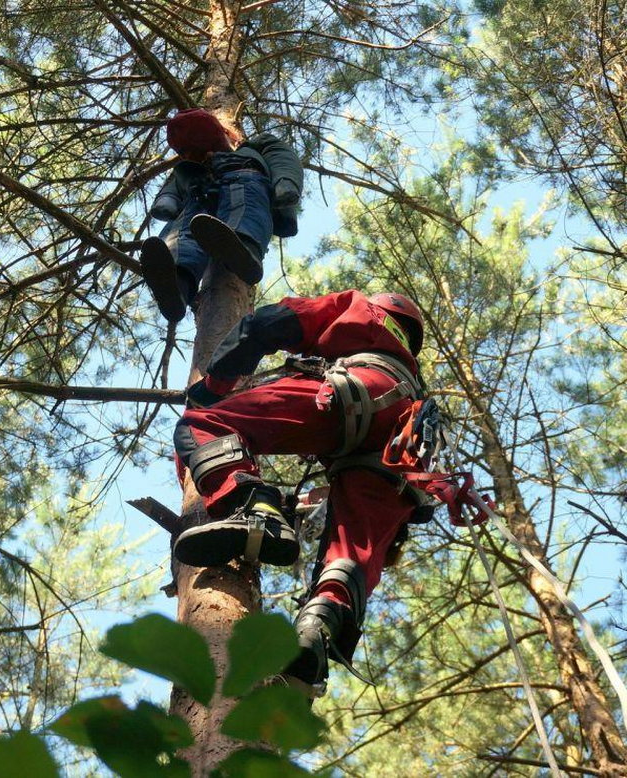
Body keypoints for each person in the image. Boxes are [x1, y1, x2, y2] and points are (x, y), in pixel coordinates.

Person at [172, 290, 435, 694]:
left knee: (201, 425)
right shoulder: (416, 386)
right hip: (402, 448)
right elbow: (393, 520)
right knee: (350, 554)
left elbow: (270, 322)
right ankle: (315, 636)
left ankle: (254, 509)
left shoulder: (359, 308)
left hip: (349, 393)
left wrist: (214, 384)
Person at [141, 109, 304, 322]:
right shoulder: (189, 169)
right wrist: (167, 201)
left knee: (244, 206)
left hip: (242, 176)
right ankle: (177, 281)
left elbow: (281, 155)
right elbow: (175, 184)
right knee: (183, 228)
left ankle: (244, 247)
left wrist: (285, 181)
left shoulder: (254, 146)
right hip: (198, 192)